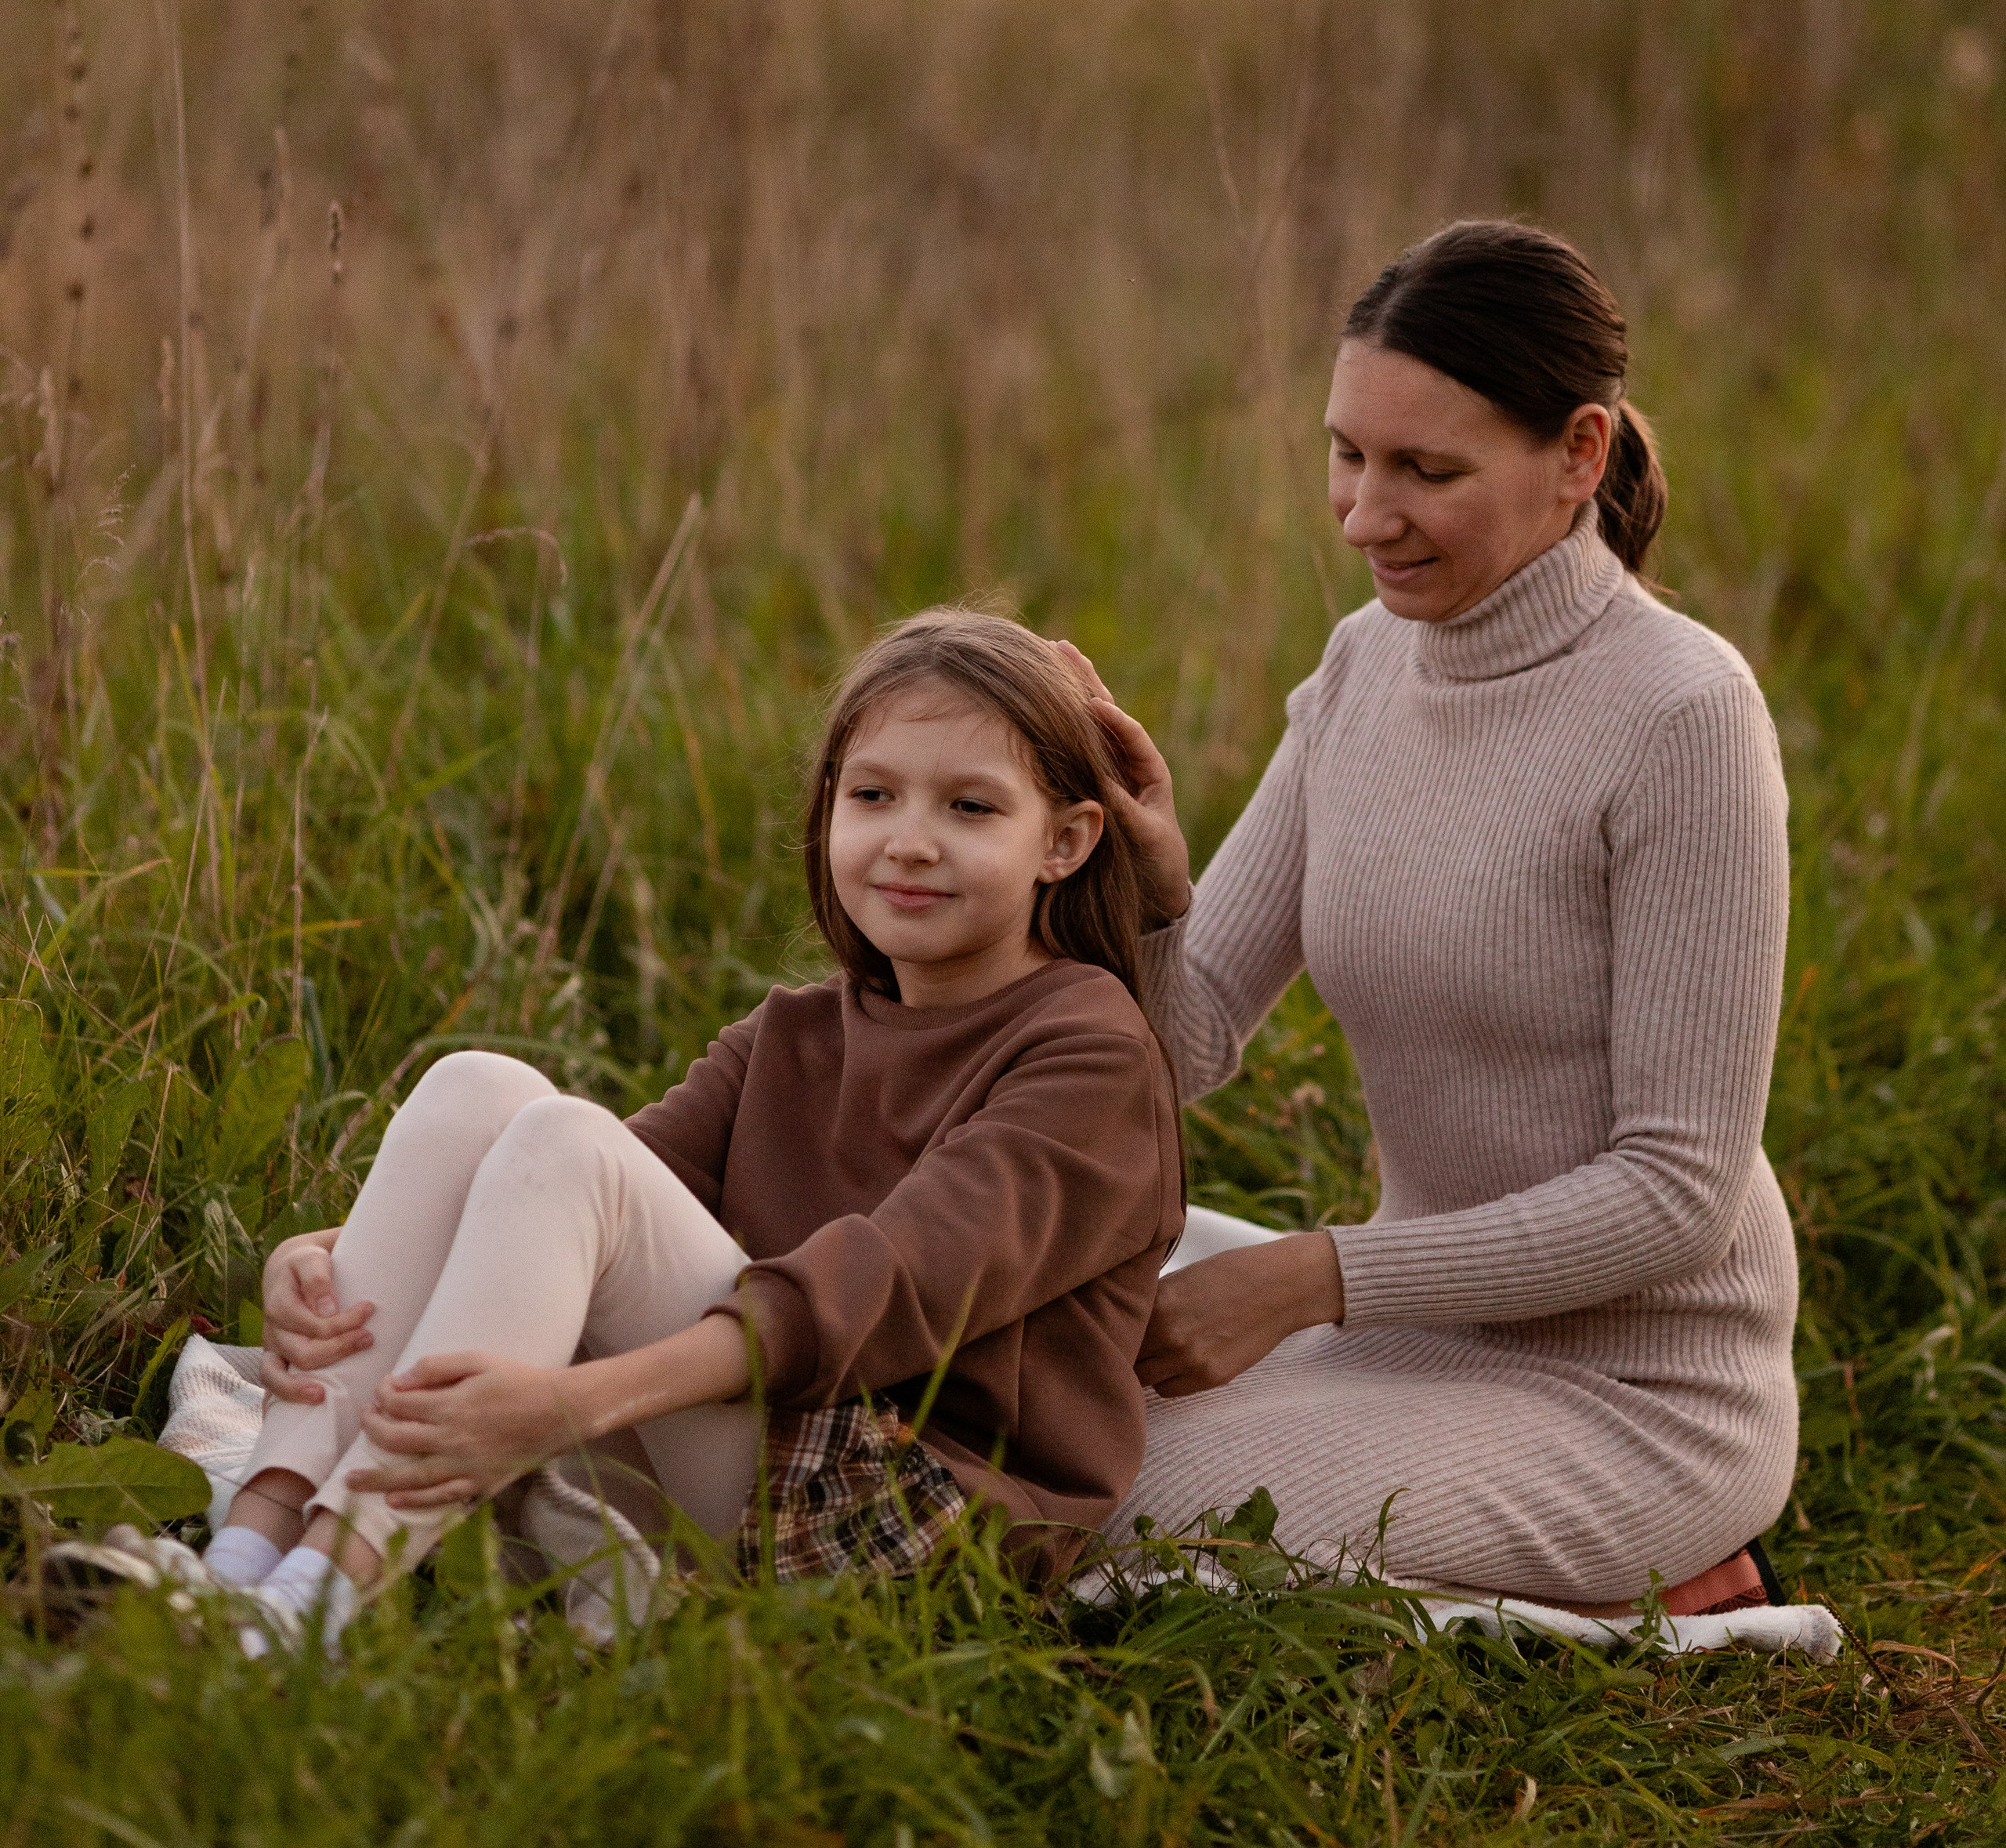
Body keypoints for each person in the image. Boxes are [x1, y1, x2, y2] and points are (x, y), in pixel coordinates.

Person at [1063, 219, 1798, 1614]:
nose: (1363, 515)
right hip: (1412, 1332)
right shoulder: (1365, 664)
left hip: (1641, 1396)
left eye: (1426, 470)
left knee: (1102, 1509)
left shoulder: (1684, 715)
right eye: (1348, 453)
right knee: (1015, 1425)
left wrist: (1314, 1278)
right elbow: (1189, 1035)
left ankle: (1689, 1579)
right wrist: (1150, 893)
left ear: (1580, 452)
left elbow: (1678, 1194)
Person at [207, 610, 1182, 1648]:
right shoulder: (797, 1030)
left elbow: (885, 1284)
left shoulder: (1092, 1056)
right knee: (477, 1090)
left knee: (565, 1144)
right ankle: (238, 1562)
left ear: (1064, 841)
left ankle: (315, 1604)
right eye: (872, 795)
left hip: (910, 1522)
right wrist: (326, 1254)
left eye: (971, 806)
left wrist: (568, 1405)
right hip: (750, 1453)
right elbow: (559, 1204)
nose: (908, 839)